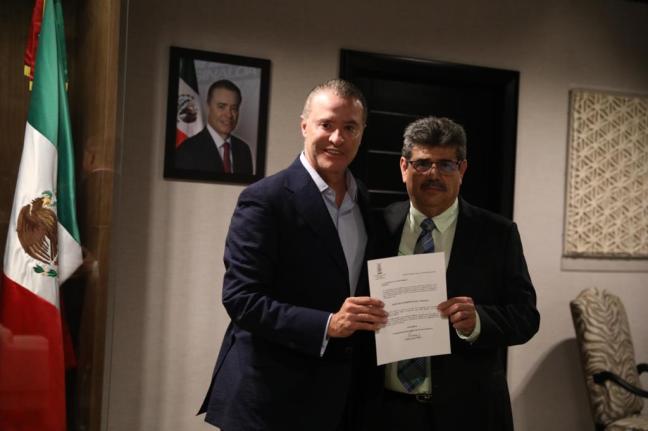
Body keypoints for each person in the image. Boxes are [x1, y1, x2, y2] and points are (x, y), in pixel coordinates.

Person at [198, 79, 388, 431]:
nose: (337, 138)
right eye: (326, 124)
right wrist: (329, 325)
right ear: (304, 126)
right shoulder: (265, 199)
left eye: (350, 127)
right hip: (269, 399)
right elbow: (242, 299)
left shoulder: (364, 199)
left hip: (337, 398)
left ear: (362, 133)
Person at [376, 116, 540, 431]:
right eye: (422, 163)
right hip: (387, 412)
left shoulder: (497, 234)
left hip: (469, 412)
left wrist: (478, 321)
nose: (433, 174)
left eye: (446, 164)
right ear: (404, 167)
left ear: (461, 170)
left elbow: (526, 318)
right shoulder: (377, 225)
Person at [176, 79, 253, 174]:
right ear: (208, 106)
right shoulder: (187, 151)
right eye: (221, 106)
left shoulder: (244, 150)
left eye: (234, 108)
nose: (229, 115)